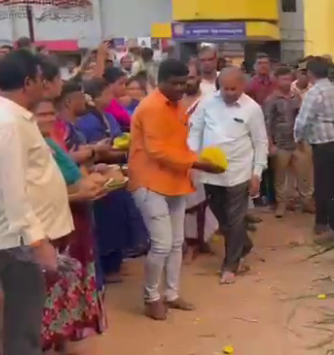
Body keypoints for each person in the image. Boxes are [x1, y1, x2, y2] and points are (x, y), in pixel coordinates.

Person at [0, 50, 73, 354]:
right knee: (24, 323)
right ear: (28, 82)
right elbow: (14, 191)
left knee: (25, 317)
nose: (46, 86)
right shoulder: (7, 123)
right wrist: (39, 243)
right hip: (17, 240)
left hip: (20, 237)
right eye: (41, 79)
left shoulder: (13, 119)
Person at [128, 58, 224, 320]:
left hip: (174, 180)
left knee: (176, 243)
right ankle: (151, 298)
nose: (181, 87)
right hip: (149, 181)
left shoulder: (178, 106)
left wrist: (191, 169)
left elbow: (180, 146)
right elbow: (157, 150)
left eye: (184, 82)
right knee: (161, 244)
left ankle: (171, 294)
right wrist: (197, 163)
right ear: (160, 82)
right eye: (175, 83)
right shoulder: (152, 107)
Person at [34, 98, 108, 353]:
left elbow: (72, 177)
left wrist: (92, 185)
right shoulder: (28, 149)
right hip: (46, 226)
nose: (48, 118)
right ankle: (45, 340)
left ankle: (62, 337)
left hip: (72, 222)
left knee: (67, 283)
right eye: (42, 114)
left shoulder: (51, 143)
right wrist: (79, 195)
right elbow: (33, 196)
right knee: (48, 285)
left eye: (51, 113)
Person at [189, 68, 268, 284]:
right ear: (218, 86)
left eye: (234, 88)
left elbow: (260, 142)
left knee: (235, 218)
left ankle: (230, 265)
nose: (230, 92)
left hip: (239, 172)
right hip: (209, 171)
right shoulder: (206, 103)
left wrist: (257, 173)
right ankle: (244, 243)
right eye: (225, 88)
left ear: (243, 86)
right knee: (220, 215)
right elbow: (195, 130)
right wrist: (192, 161)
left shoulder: (252, 109)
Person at [78, 78, 149, 285]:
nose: (113, 97)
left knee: (119, 219)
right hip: (98, 175)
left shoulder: (108, 116)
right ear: (96, 97)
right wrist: (114, 152)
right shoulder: (87, 121)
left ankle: (115, 263)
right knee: (105, 224)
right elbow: (98, 150)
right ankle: (108, 267)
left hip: (114, 175)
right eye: (108, 93)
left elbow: (116, 140)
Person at [294, 57, 334, 236]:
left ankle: (322, 223)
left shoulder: (314, 93)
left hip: (323, 144)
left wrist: (298, 136)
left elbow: (303, 119)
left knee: (323, 185)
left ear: (310, 74)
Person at [264, 67, 314, 217]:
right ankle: (282, 205)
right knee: (280, 177)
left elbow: (302, 119)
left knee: (304, 174)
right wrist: (270, 144)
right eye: (283, 79)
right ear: (276, 80)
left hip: (298, 142)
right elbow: (267, 123)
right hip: (280, 144)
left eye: (288, 79)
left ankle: (307, 202)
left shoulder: (296, 98)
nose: (286, 82)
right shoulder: (271, 100)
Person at [182, 60, 218, 259]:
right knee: (186, 203)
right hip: (178, 156)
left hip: (202, 155)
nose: (190, 81)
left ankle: (201, 241)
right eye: (186, 77)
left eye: (193, 77)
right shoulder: (174, 102)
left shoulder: (208, 100)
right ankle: (189, 243)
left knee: (203, 201)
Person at [246, 53, 276, 205]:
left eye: (266, 63)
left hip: (273, 126)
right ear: (255, 66)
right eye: (260, 63)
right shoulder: (250, 85)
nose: (264, 66)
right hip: (255, 126)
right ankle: (257, 195)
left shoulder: (275, 83)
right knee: (257, 161)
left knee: (272, 163)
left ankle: (272, 197)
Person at [103, 66, 132, 132]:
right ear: (109, 85)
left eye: (125, 84)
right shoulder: (109, 103)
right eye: (120, 84)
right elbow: (128, 119)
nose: (124, 87)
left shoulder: (122, 100)